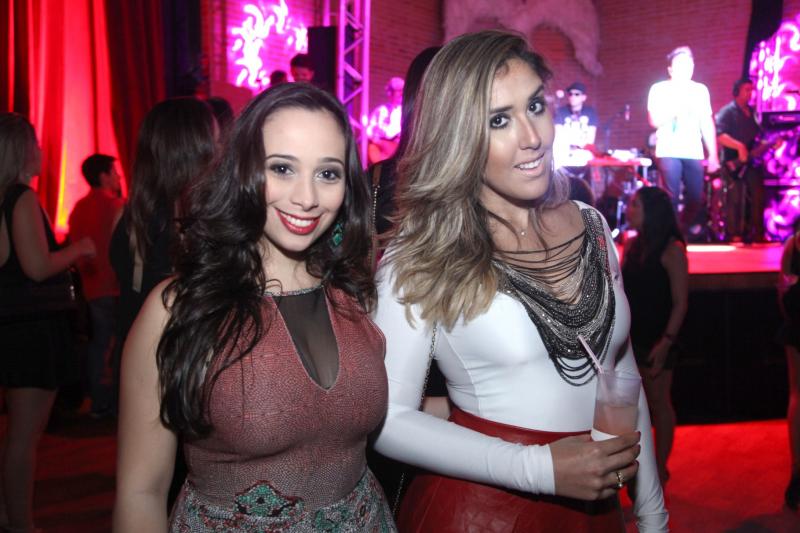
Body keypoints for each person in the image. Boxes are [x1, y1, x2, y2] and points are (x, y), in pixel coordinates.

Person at [373, 30, 667, 532]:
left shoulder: (593, 226)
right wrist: (539, 468)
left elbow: (621, 374)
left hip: (596, 512)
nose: (532, 137)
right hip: (483, 514)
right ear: (459, 135)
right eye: (499, 120)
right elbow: (386, 419)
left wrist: (653, 515)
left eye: (535, 106)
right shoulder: (423, 252)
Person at [113, 83, 395, 532]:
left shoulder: (355, 295)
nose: (307, 197)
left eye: (328, 173)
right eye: (282, 168)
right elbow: (141, 491)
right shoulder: (179, 309)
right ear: (242, 170)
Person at [0, 113, 96, 533]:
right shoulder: (20, 198)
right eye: (35, 143)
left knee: (14, 435)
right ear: (20, 150)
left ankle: (8, 514)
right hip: (33, 327)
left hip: (11, 324)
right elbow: (37, 267)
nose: (41, 151)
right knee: (24, 437)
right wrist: (79, 249)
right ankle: (21, 523)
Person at [622, 187, 688, 486]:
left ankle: (660, 469)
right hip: (632, 337)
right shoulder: (633, 245)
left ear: (652, 211)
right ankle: (642, 469)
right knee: (636, 406)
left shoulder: (672, 249)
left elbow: (680, 302)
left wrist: (667, 341)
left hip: (658, 337)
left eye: (635, 204)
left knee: (660, 402)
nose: (629, 209)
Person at [68, 153, 125, 418]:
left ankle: (97, 401)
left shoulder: (78, 209)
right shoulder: (116, 206)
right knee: (118, 345)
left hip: (91, 288)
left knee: (98, 345)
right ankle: (115, 402)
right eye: (114, 172)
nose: (118, 177)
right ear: (104, 176)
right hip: (115, 286)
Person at [647, 46, 719, 239]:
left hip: (693, 150)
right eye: (680, 65)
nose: (685, 69)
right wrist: (675, 109)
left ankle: (680, 227)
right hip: (668, 149)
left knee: (696, 196)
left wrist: (713, 155)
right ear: (670, 69)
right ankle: (671, 235)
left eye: (689, 65)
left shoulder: (700, 91)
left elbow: (706, 123)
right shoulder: (659, 89)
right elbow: (654, 120)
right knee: (671, 195)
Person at [716, 78, 766, 242]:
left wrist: (769, 143)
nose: (750, 93)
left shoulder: (752, 113)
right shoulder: (727, 112)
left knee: (758, 195)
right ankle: (734, 233)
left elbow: (758, 136)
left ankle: (757, 233)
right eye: (747, 90)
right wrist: (739, 147)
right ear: (737, 91)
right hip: (733, 161)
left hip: (751, 162)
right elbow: (720, 135)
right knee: (735, 198)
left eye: (752, 90)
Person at [776, 219, 800, 510]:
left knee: (797, 395)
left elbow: (782, 291)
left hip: (796, 324)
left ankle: (797, 470)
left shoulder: (793, 244)